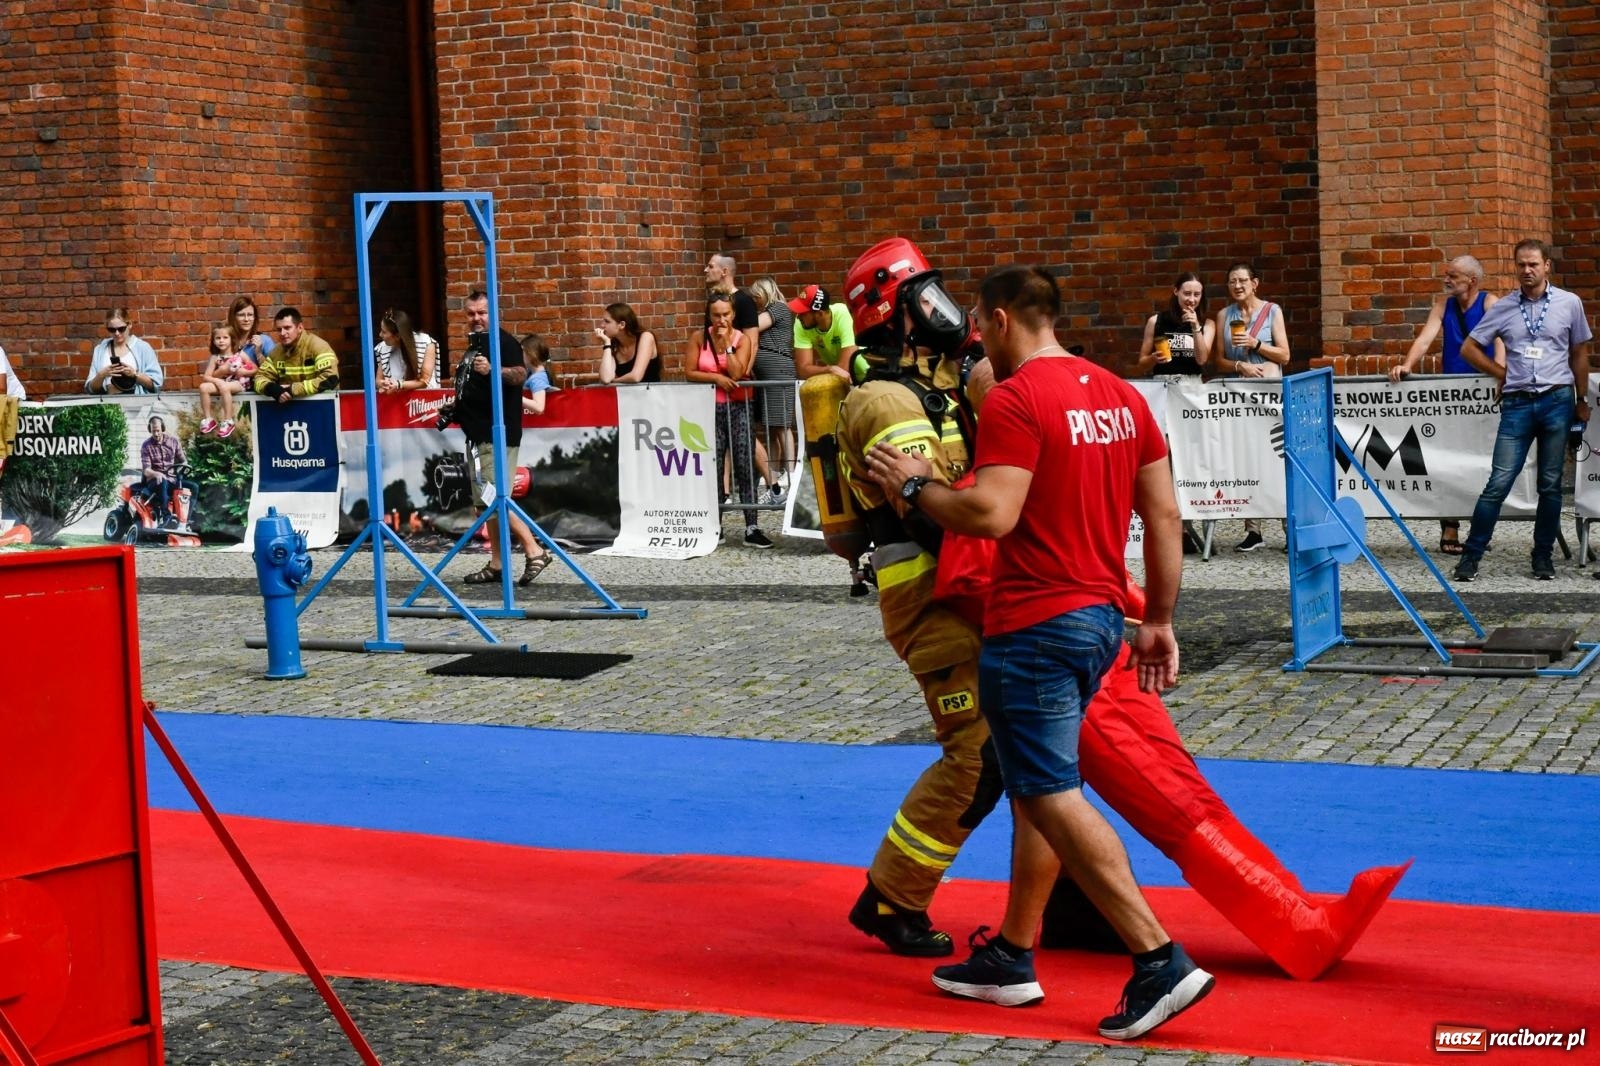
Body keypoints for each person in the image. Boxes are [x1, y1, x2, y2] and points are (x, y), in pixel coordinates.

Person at [864, 265, 1212, 1042]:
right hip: (1097, 622)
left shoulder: (1020, 399)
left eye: (980, 327)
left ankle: (1157, 958)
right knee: (1034, 791)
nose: (974, 340)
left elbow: (990, 514)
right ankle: (1012, 956)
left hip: (1034, 626)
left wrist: (916, 488)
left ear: (996, 319)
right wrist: (1157, 619)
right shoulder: (1123, 394)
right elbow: (1162, 516)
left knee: (1051, 793)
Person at [1452, 239, 1593, 583]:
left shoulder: (1569, 304)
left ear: (1547, 266)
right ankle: (1471, 557)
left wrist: (1582, 399)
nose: (1526, 271)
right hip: (1517, 403)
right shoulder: (1503, 307)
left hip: (1556, 400)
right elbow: (1470, 348)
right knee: (1498, 482)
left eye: (1533, 264)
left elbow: (1579, 353)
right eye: (1521, 265)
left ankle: (1542, 556)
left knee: (1550, 485)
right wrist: (1503, 373)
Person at [1388, 255, 1506, 556]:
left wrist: (1501, 375)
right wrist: (1406, 364)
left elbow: (1503, 340)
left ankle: (1481, 529)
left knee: (1484, 462)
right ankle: (1450, 527)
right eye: (1446, 274)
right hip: (1452, 396)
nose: (1447, 279)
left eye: (1453, 275)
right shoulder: (1443, 306)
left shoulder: (1490, 303)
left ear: (1472, 281)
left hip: (1484, 394)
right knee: (1448, 460)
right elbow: (1425, 339)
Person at [454, 289, 551, 586]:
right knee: (484, 504)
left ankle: (535, 551)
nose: (476, 319)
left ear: (492, 314)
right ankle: (497, 564)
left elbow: (520, 375)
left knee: (496, 498)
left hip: (497, 434)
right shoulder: (473, 346)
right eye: (471, 314)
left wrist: (493, 368)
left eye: (482, 313)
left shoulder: (504, 342)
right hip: (477, 435)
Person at [1213, 263, 1291, 553]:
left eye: (1243, 280)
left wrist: (1256, 344)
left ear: (1255, 283)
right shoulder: (1224, 316)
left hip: (1270, 400)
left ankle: (1289, 529)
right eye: (1232, 281)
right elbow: (1218, 360)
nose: (1237, 286)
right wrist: (1238, 365)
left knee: (1277, 459)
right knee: (1246, 460)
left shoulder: (1272, 312)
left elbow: (1284, 354)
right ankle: (1253, 530)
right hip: (1240, 397)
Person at [1135, 272, 1214, 554]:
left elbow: (1203, 360)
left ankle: (1190, 516)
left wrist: (1195, 329)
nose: (1191, 300)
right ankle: (1172, 522)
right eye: (1186, 294)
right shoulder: (1157, 321)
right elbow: (1142, 362)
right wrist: (1153, 358)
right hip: (1164, 389)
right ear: (1175, 292)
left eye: (1196, 295)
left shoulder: (1206, 322)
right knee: (1164, 453)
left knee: (1189, 455)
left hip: (1191, 391)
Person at [684, 292, 770, 549]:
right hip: (710, 408)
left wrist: (727, 347)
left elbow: (738, 371)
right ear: (709, 315)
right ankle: (715, 524)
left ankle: (751, 526)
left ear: (733, 315)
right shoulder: (699, 338)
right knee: (713, 464)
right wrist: (716, 378)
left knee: (744, 464)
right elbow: (689, 372)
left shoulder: (742, 339)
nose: (721, 320)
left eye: (726, 314)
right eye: (716, 315)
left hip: (739, 406)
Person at [750, 277, 796, 504]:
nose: (754, 299)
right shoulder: (772, 309)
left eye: (756, 295)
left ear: (765, 292)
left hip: (778, 372)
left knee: (781, 425)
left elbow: (755, 326)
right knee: (771, 426)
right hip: (769, 374)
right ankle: (774, 474)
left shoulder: (778, 308)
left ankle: (791, 475)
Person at [254, 308, 339, 403]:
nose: (282, 333)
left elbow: (331, 379)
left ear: (300, 328)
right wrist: (272, 389)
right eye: (279, 329)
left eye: (287, 328)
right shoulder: (276, 352)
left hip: (323, 407)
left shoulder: (318, 346)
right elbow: (259, 378)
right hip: (289, 411)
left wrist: (293, 389)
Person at [85, 307, 164, 395]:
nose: (117, 333)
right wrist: (101, 375)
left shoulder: (143, 348)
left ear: (129, 324)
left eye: (121, 329)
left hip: (136, 402)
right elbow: (91, 389)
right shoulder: (100, 350)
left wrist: (134, 374)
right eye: (112, 330)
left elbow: (156, 385)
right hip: (108, 404)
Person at [140, 415, 198, 530]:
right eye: (153, 431)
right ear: (150, 430)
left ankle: (185, 521)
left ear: (163, 428)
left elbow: (183, 460)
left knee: (194, 487)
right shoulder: (146, 446)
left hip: (172, 479)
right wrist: (156, 474)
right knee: (163, 481)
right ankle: (166, 517)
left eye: (158, 430)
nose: (156, 434)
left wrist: (183, 468)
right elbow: (146, 470)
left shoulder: (173, 442)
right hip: (155, 482)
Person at [790, 284, 858, 382]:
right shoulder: (801, 324)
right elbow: (803, 370)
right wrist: (829, 369)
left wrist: (831, 370)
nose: (798, 317)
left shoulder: (842, 313)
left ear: (820, 314)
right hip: (841, 379)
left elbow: (844, 369)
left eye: (803, 313)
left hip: (865, 373)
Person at [198, 325, 255, 437]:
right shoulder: (215, 357)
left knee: (225, 387)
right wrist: (217, 380)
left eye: (225, 337)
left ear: (232, 339)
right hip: (222, 383)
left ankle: (228, 420)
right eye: (218, 338)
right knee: (203, 387)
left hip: (239, 383)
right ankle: (208, 419)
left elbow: (254, 368)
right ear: (213, 341)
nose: (221, 341)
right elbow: (207, 376)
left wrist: (244, 372)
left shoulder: (239, 354)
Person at [373, 308, 439, 393]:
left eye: (384, 332)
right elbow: (378, 380)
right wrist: (383, 384)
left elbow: (424, 381)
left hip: (424, 402)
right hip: (397, 402)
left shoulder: (426, 343)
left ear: (398, 336)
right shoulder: (383, 347)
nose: (380, 335)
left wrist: (399, 385)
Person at [595, 303, 660, 384]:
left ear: (622, 325)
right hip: (628, 396)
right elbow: (606, 378)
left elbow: (636, 377)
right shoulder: (613, 345)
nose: (602, 325)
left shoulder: (646, 337)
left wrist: (615, 381)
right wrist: (607, 343)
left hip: (651, 394)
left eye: (607, 321)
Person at [226, 296, 277, 367]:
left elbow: (275, 372)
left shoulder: (265, 340)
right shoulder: (225, 340)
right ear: (233, 317)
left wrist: (259, 354)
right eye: (241, 315)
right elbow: (211, 373)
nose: (246, 319)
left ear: (254, 317)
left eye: (250, 315)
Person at [520, 333, 553, 416]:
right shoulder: (536, 374)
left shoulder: (537, 378)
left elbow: (539, 407)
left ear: (530, 354)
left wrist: (515, 397)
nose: (519, 355)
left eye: (522, 352)